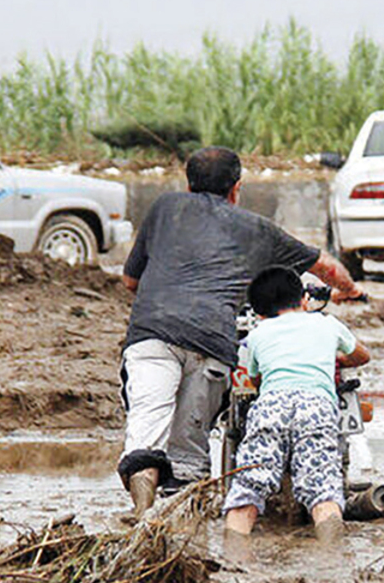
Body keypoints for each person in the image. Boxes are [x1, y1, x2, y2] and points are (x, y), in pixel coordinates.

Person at [118, 146, 366, 519]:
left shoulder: (163, 209)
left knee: (146, 424)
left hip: (152, 334)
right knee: (190, 446)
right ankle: (189, 528)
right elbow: (327, 267)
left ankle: (141, 514)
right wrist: (350, 291)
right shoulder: (258, 229)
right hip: (212, 343)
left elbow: (129, 280)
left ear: (188, 185)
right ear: (236, 189)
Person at [222, 266, 370, 546]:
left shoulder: (257, 334)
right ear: (304, 299)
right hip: (316, 406)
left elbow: (254, 378)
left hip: (271, 405)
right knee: (323, 491)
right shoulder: (326, 323)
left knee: (248, 489)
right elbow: (362, 355)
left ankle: (233, 561)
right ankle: (332, 564)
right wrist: (333, 359)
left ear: (259, 312)